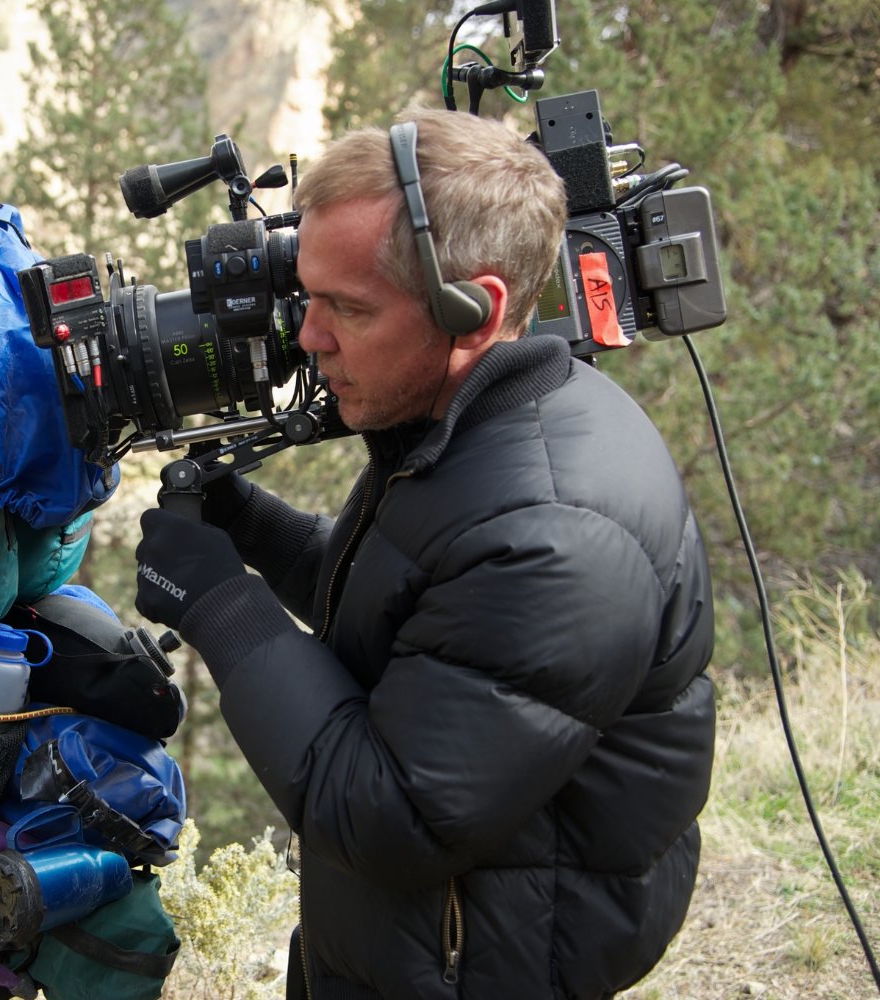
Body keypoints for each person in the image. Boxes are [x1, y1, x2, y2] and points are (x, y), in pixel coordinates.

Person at [133, 108, 716, 999]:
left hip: (479, 964)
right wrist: (251, 527)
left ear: (474, 311)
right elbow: (418, 606)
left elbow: (389, 813)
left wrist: (222, 606)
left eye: (349, 309)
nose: (307, 337)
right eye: (308, 293)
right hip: (413, 945)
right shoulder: (479, 423)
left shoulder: (556, 534)